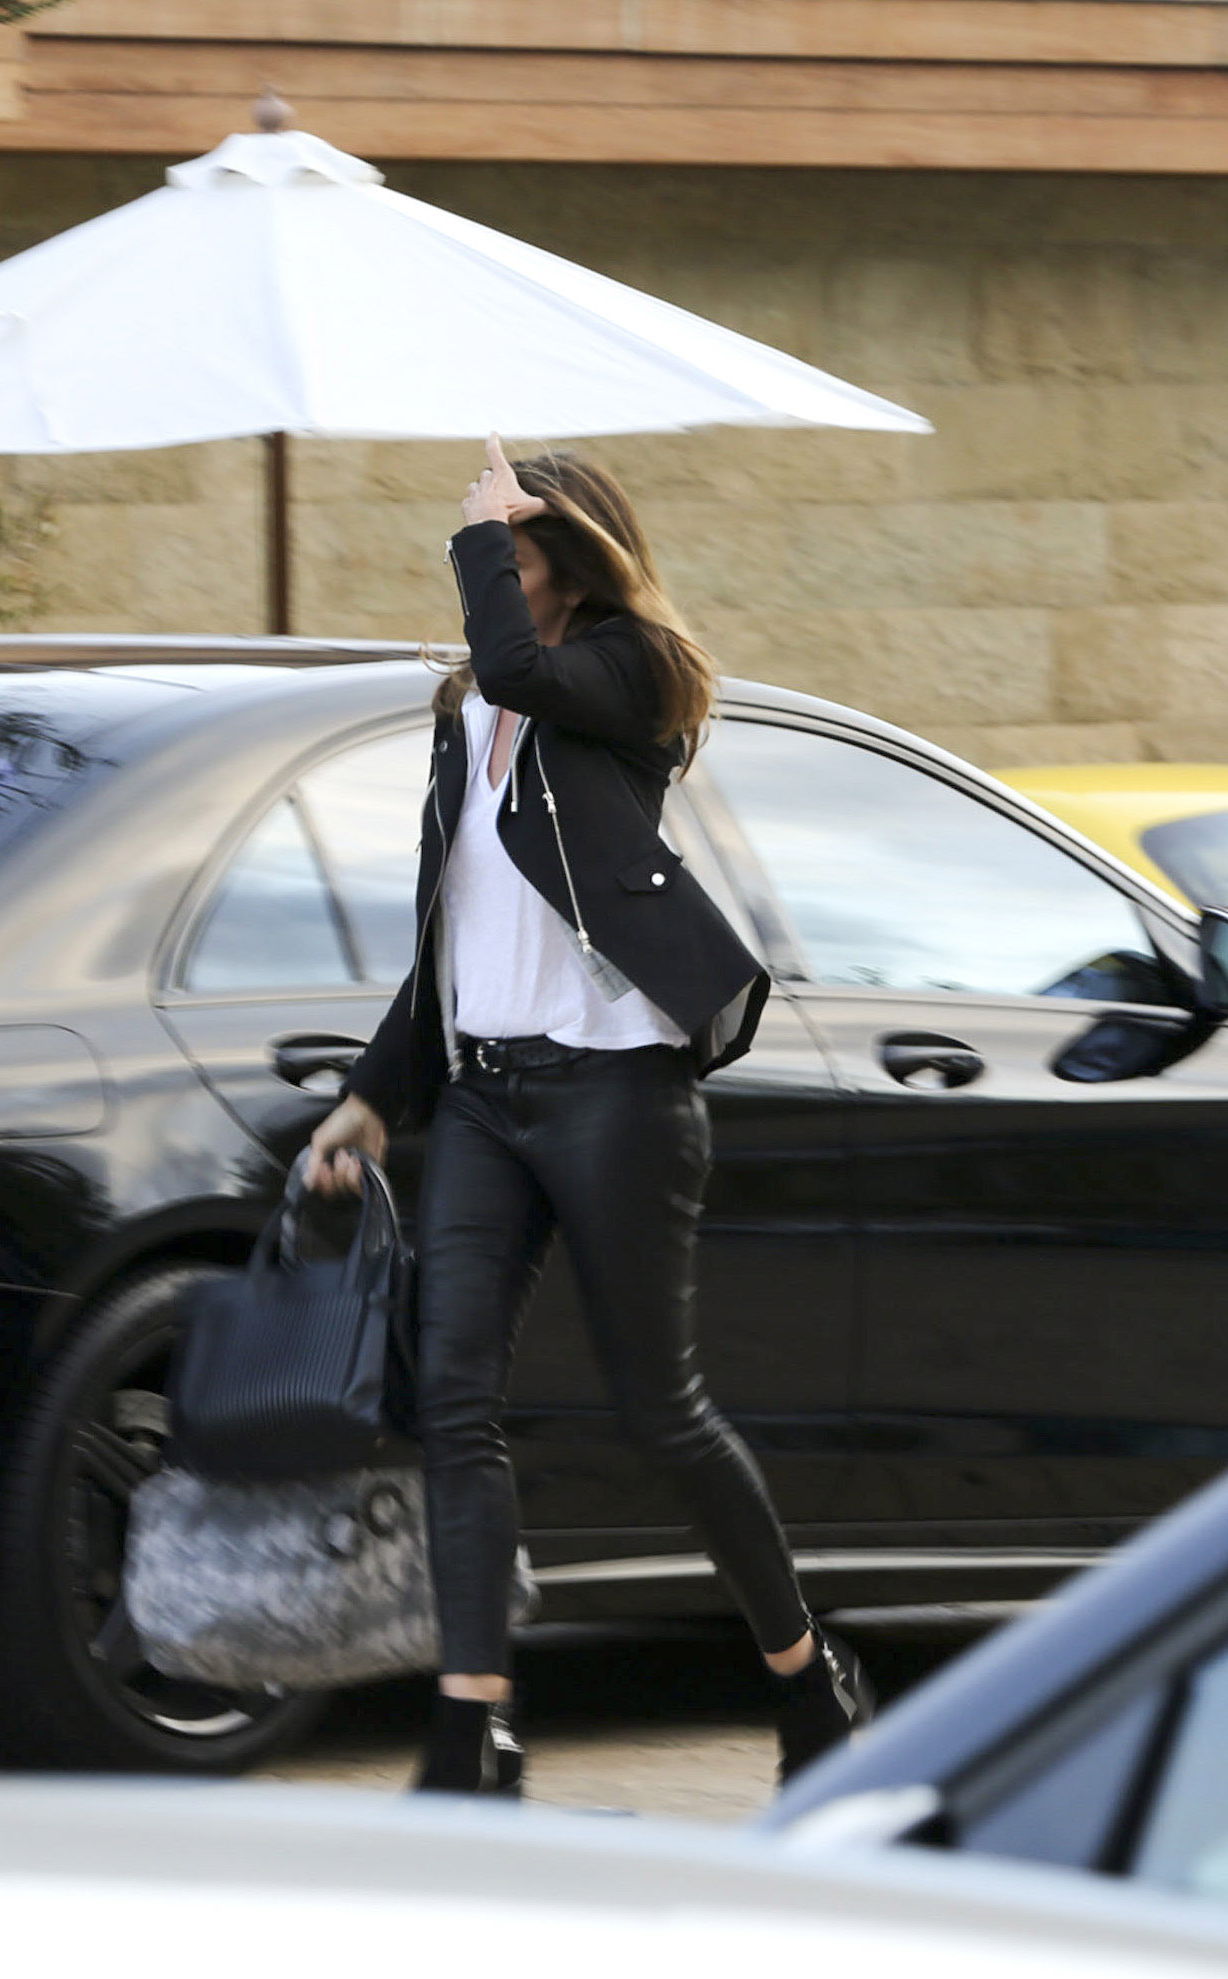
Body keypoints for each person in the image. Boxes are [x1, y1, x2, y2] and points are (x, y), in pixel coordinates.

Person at [305, 437, 874, 1796]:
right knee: (452, 1404)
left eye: (511, 549)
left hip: (617, 1089)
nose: (491, 571)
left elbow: (520, 664)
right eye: (487, 550)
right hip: (491, 1097)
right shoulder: (468, 715)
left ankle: (806, 1678)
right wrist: (376, 1096)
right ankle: (472, 1728)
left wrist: (482, 533)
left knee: (659, 1410)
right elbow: (451, 931)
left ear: (572, 550)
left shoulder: (632, 677)